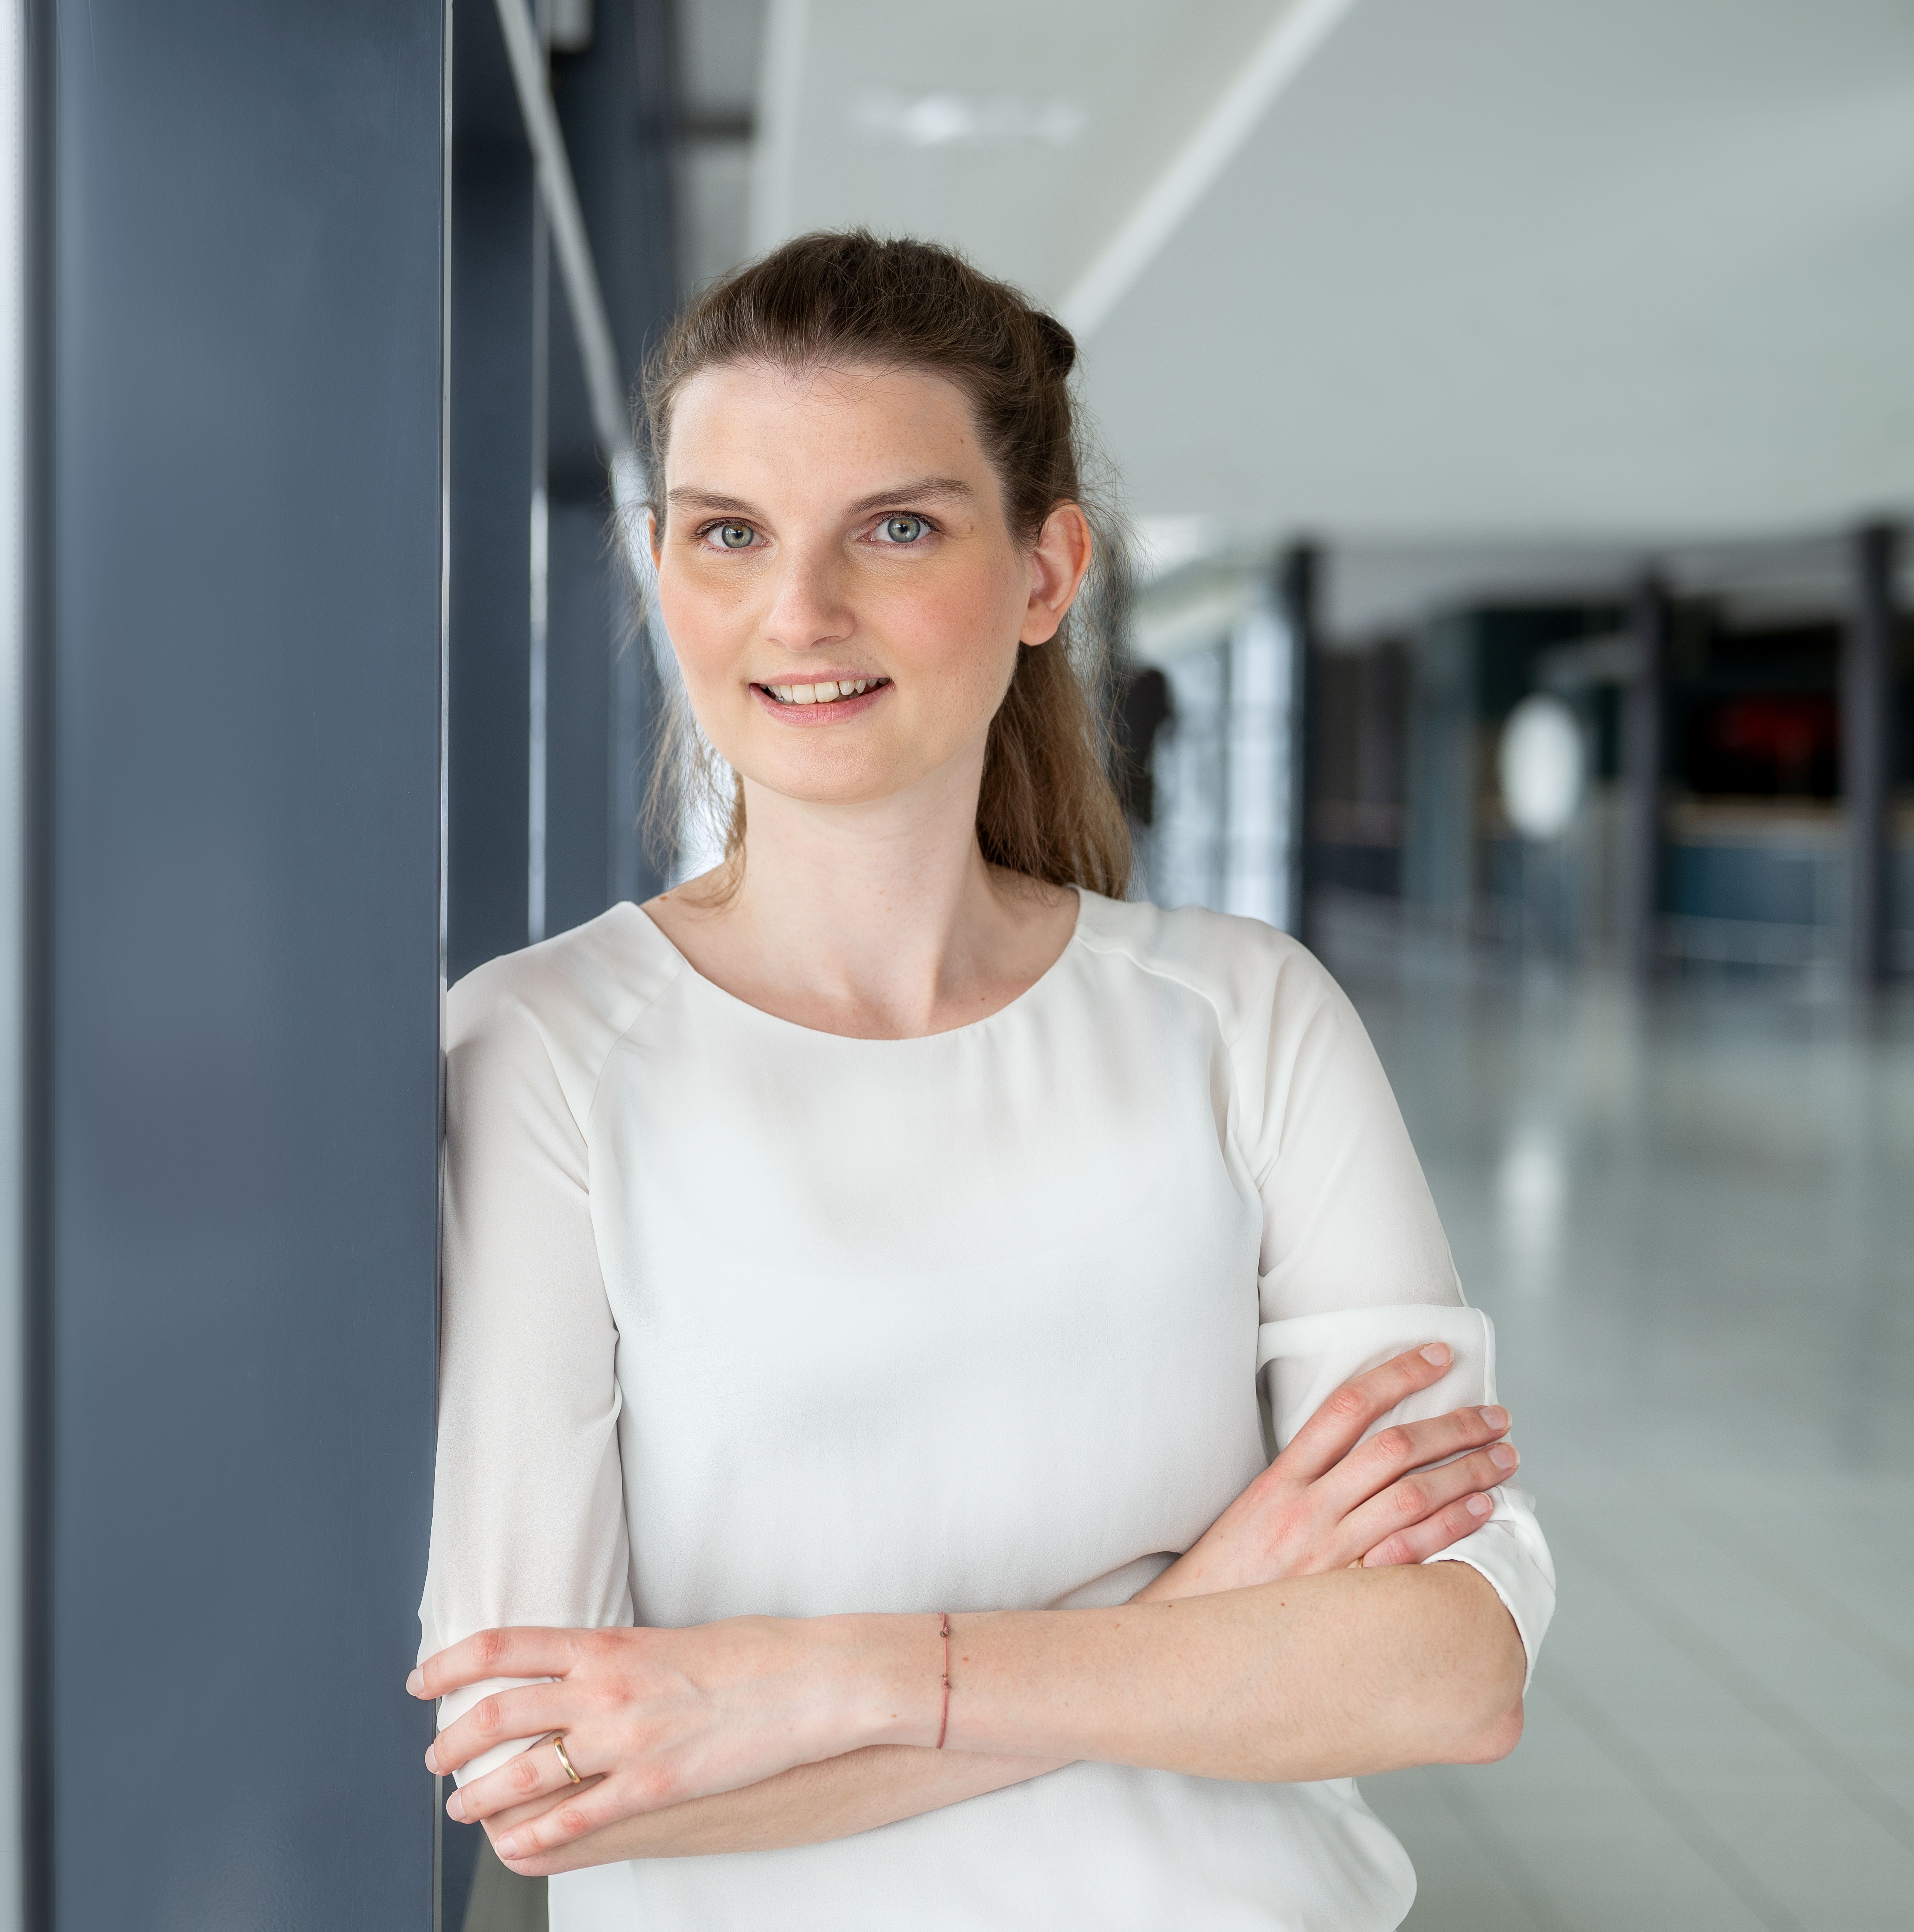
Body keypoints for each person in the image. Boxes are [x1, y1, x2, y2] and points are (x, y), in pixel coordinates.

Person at [410, 232, 1552, 1928]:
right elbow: (545, 1778)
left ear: (1043, 571)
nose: (798, 614)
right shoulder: (545, 1054)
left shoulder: (1244, 1021)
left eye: (895, 527)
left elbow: (1448, 1667)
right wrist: (1192, 1624)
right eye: (729, 534)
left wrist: (829, 1686)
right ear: (661, 569)